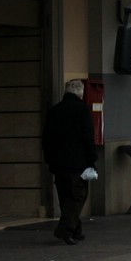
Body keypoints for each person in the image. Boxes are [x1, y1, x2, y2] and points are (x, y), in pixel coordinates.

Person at [42, 79, 98, 245]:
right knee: (77, 197)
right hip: (77, 164)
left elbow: (46, 138)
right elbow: (88, 137)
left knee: (66, 197)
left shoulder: (54, 110)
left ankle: (76, 230)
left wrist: (50, 160)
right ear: (80, 93)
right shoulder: (82, 110)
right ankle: (65, 229)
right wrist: (92, 159)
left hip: (58, 164)